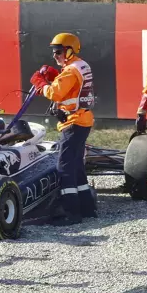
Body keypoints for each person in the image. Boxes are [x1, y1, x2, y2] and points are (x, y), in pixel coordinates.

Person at [29, 33, 97, 224]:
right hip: (82, 120)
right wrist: (55, 74)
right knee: (76, 165)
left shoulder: (69, 71)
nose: (55, 56)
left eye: (58, 52)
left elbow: (55, 93)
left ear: (70, 50)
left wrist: (40, 82)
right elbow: (72, 87)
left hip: (73, 122)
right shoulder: (80, 65)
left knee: (64, 166)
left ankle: (71, 214)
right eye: (54, 52)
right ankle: (87, 208)